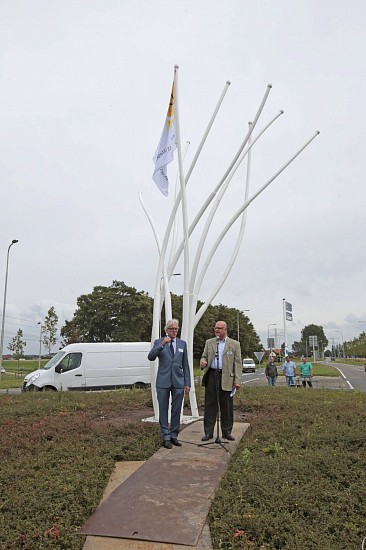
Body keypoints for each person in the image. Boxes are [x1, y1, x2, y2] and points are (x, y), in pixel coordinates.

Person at [148, 319, 190, 449]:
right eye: (172, 329)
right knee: (163, 409)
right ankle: (165, 436)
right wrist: (162, 344)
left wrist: (187, 382)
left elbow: (185, 365)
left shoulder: (182, 344)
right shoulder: (159, 342)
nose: (174, 331)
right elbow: (151, 357)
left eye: (176, 329)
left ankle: (174, 436)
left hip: (178, 381)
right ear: (166, 330)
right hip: (163, 381)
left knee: (177, 410)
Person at [200, 321, 242, 441]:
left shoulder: (234, 344)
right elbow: (204, 356)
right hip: (212, 375)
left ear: (225, 329)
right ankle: (208, 432)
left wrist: (237, 380)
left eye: (219, 328)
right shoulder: (210, 342)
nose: (217, 330)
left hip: (227, 377)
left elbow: (238, 363)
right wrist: (203, 362)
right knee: (210, 405)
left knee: (226, 406)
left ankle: (226, 431)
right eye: (215, 328)